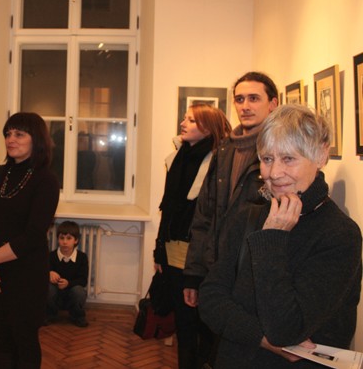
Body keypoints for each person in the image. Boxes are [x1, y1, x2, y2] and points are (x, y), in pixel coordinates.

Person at [198, 104, 362, 368]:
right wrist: (261, 338)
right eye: (267, 159)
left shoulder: (339, 234)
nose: (273, 173)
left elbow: (286, 329)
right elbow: (210, 299)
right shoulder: (247, 217)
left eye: (288, 159)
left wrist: (273, 238)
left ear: (321, 155)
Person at [0, 112, 60, 369]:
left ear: (37, 139)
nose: (11, 139)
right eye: (8, 134)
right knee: (3, 342)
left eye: (19, 134)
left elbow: (33, 236)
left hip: (26, 273)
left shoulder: (46, 179)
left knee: (24, 341)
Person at [183, 72, 279, 308]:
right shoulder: (224, 150)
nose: (245, 106)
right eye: (239, 99)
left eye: (254, 98)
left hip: (254, 275)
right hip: (216, 271)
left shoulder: (281, 154)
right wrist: (194, 274)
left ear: (273, 104)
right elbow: (204, 216)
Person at [154, 104, 231, 369]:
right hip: (173, 248)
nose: (182, 123)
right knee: (184, 321)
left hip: (201, 253)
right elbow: (167, 208)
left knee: (204, 321)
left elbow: (212, 216)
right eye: (184, 118)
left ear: (208, 128)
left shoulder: (219, 163)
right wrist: (159, 250)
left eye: (191, 120)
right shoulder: (178, 157)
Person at [46, 220, 89, 328]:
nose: (65, 242)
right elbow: (40, 275)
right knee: (48, 288)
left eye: (69, 238)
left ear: (76, 240)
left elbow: (83, 280)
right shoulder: (51, 256)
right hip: (56, 294)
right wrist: (49, 273)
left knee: (79, 291)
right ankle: (49, 315)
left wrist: (68, 283)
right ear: (58, 239)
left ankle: (77, 316)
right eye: (62, 238)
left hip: (72, 292)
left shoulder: (82, 257)